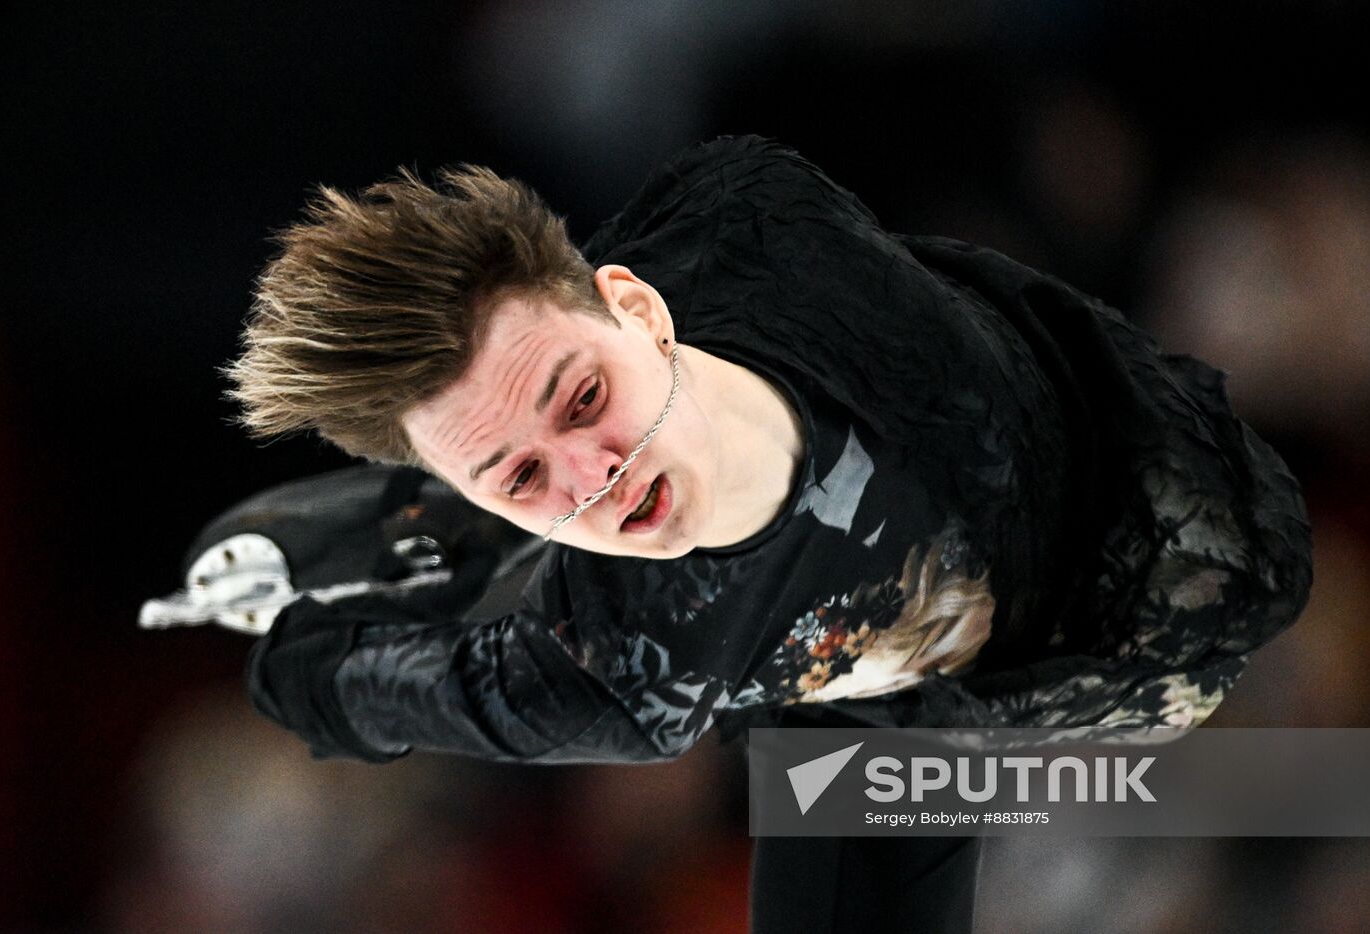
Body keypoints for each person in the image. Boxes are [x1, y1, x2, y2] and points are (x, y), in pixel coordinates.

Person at [213, 135, 1311, 932]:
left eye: (581, 398)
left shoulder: (752, 222)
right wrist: (299, 673)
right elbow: (397, 685)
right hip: (875, 726)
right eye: (521, 475)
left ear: (637, 306)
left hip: (1114, 594)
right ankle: (441, 505)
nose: (599, 479)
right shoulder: (622, 665)